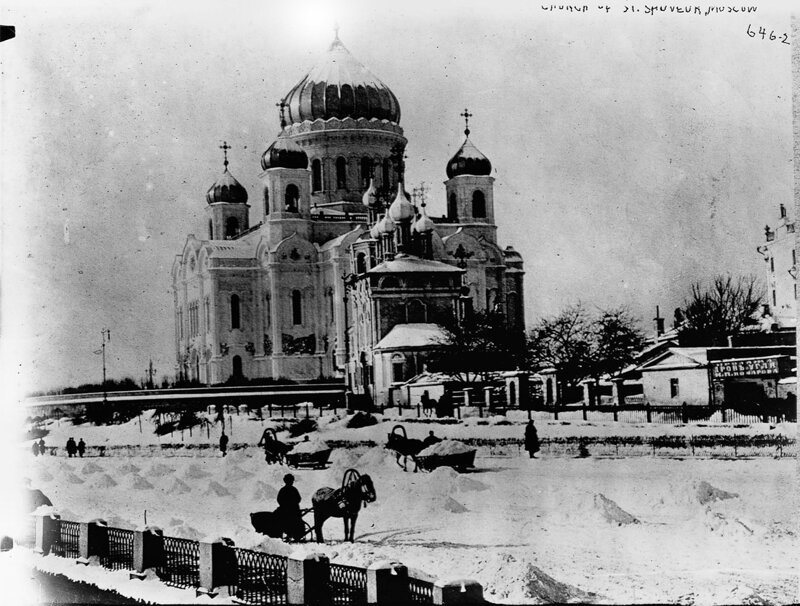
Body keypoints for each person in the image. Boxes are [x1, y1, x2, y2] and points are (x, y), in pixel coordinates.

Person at [276, 473, 303, 541]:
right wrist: (292, 505)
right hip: (293, 510)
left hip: (284, 510)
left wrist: (284, 506)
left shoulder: (283, 490)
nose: (292, 482)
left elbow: (279, 500)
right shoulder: (293, 489)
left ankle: (288, 534)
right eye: (291, 481)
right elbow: (298, 499)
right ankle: (295, 534)